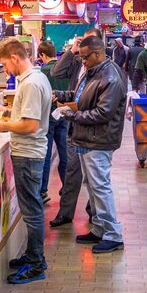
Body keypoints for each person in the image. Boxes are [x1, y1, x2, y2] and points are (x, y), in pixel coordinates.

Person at [0, 39, 53, 285]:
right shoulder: (33, 79)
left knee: (32, 211)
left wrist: (3, 124)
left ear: (15, 57)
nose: (4, 69)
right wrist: (6, 112)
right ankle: (32, 256)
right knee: (31, 209)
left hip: (29, 154)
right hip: (28, 153)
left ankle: (36, 265)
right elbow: (26, 115)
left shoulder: (31, 83)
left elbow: (31, 125)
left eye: (4, 63)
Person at [54, 34, 127, 253]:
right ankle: (99, 228)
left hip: (99, 140)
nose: (82, 61)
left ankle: (113, 234)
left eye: (85, 57)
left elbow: (103, 113)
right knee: (93, 187)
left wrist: (71, 115)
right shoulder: (94, 73)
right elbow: (82, 98)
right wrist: (61, 95)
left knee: (100, 187)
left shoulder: (110, 77)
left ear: (97, 53)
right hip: (87, 138)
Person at [51, 30, 100, 228]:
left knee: (93, 176)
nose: (83, 48)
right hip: (74, 123)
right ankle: (65, 213)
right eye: (82, 41)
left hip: (91, 128)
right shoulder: (77, 61)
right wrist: (72, 51)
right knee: (72, 171)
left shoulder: (102, 70)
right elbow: (56, 72)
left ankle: (93, 213)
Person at [38, 40, 74, 205]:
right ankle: (67, 187)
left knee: (46, 154)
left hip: (47, 116)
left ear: (42, 55)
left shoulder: (43, 71)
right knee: (64, 153)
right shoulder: (66, 69)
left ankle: (43, 190)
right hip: (64, 113)